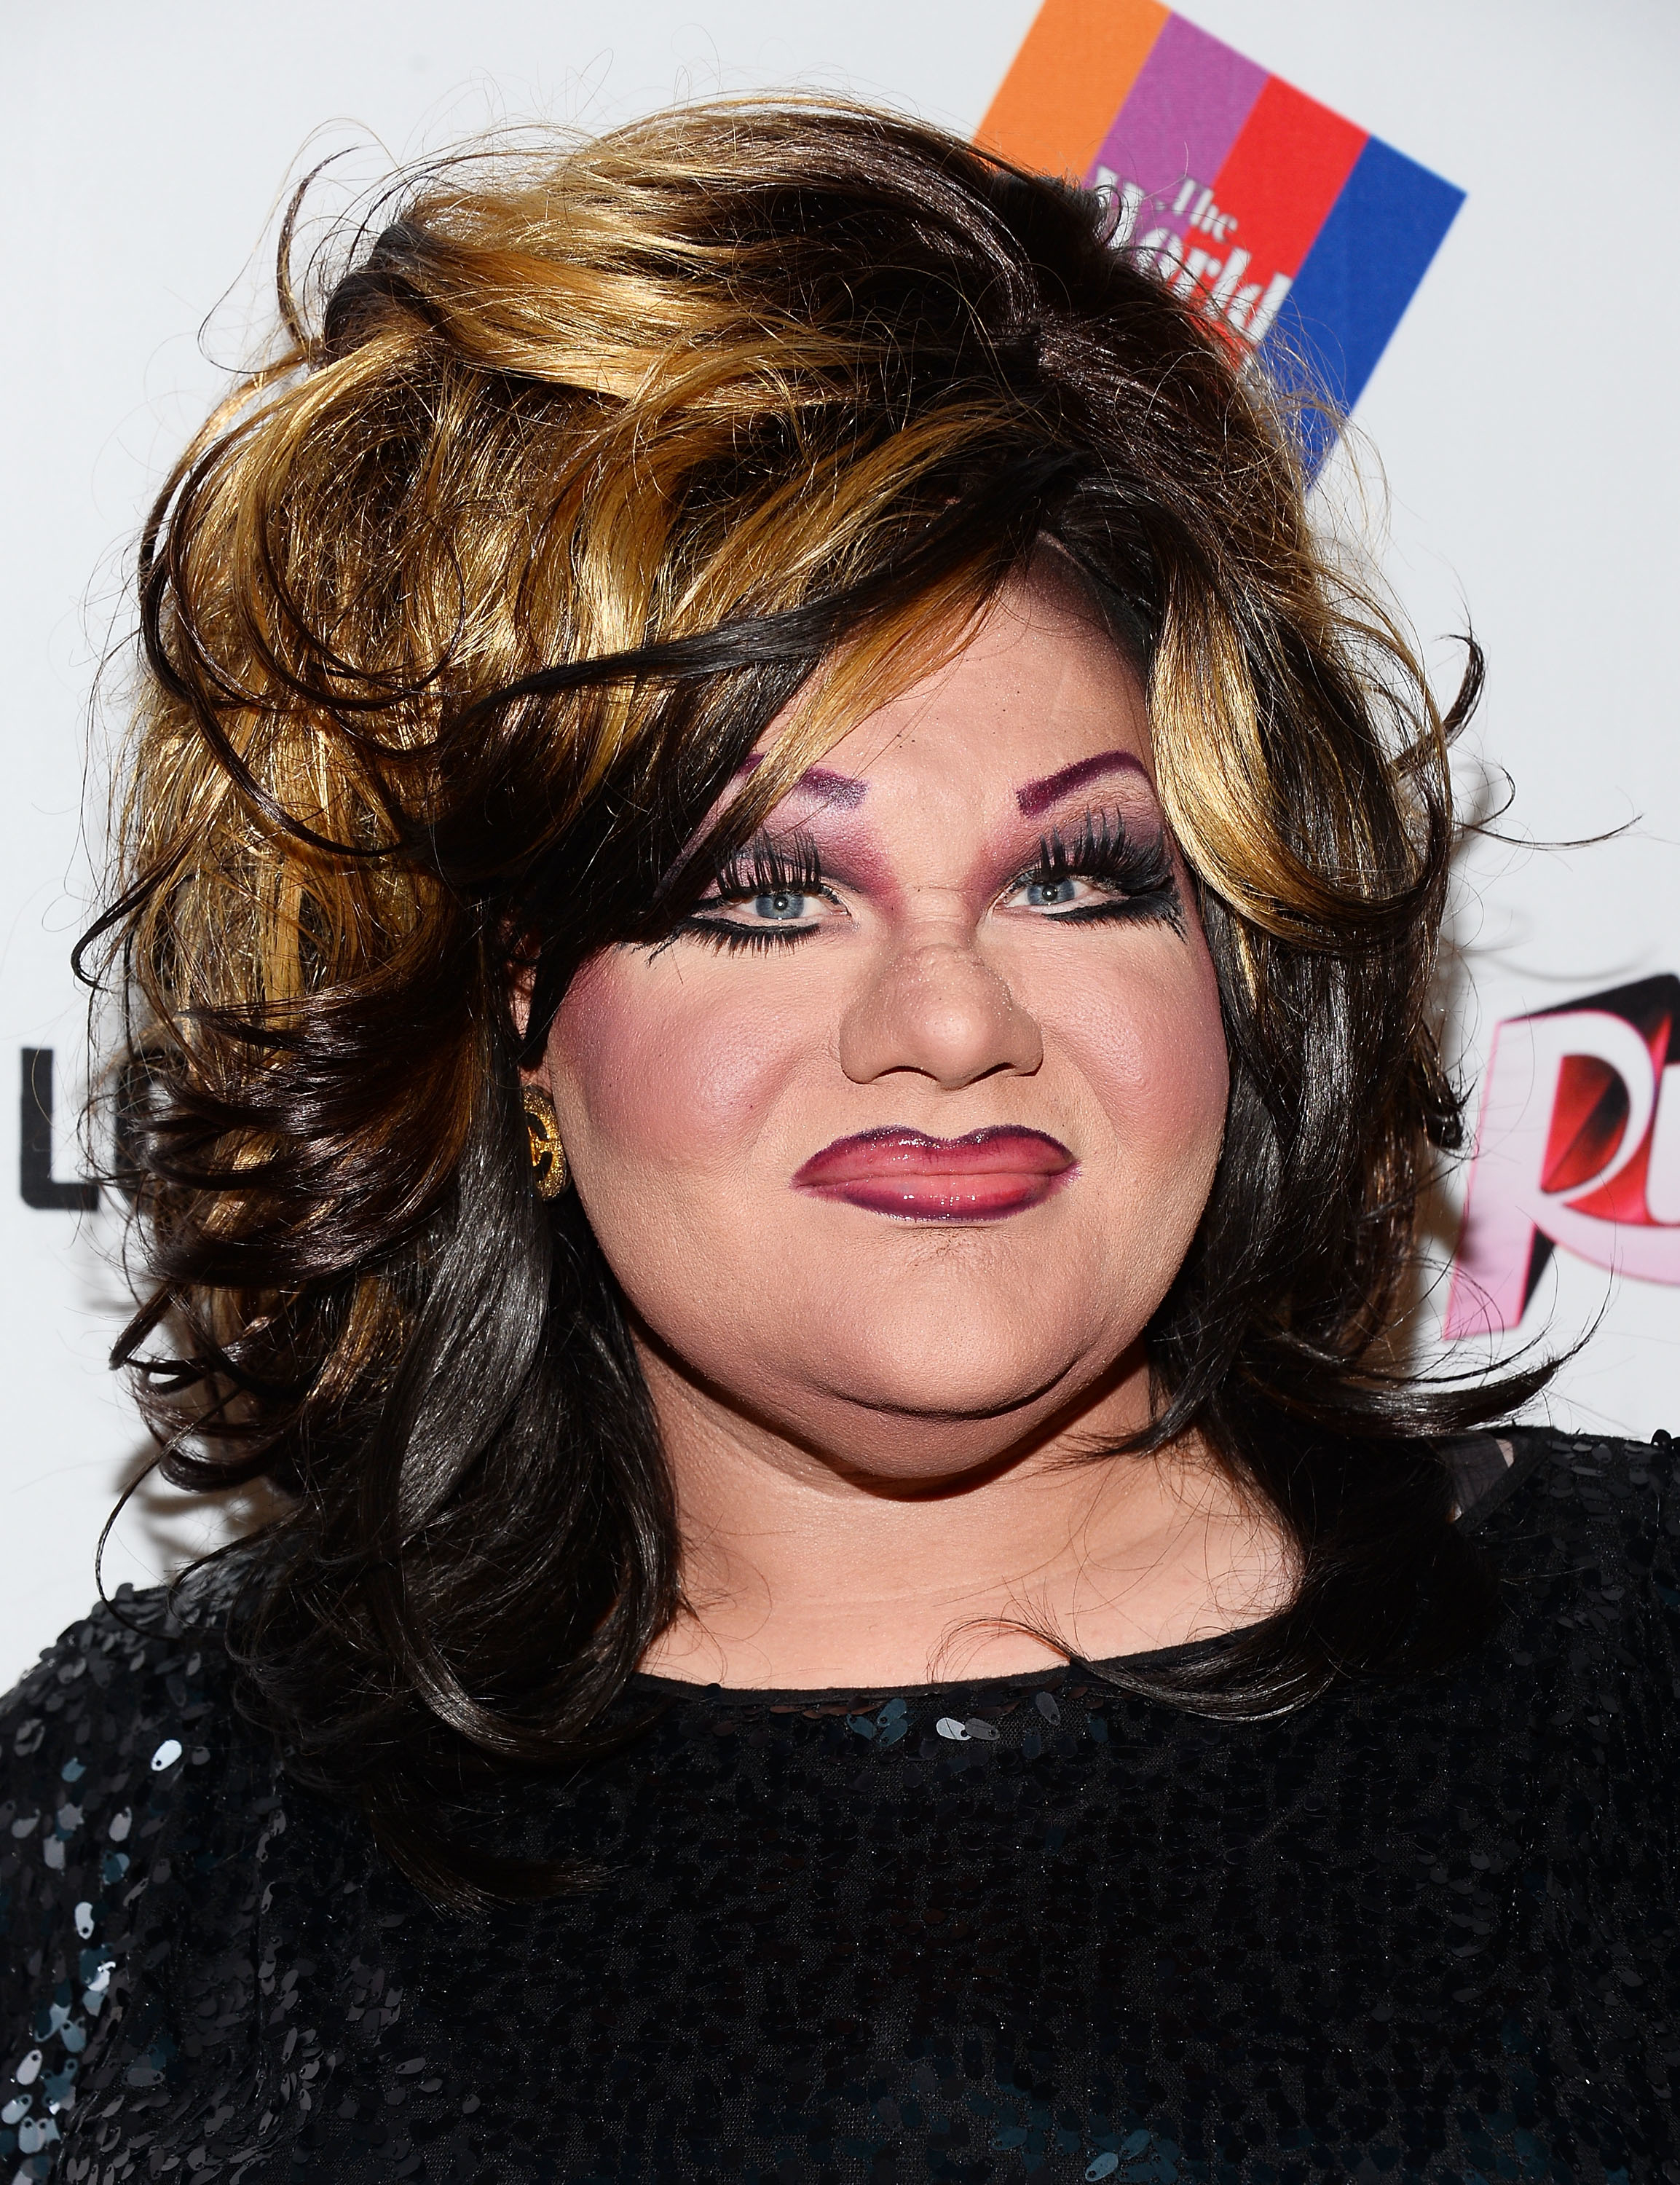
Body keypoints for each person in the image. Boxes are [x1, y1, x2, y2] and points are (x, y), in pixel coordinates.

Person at [1, 97, 1674, 2185]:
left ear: (1238, 954)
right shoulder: (177, 1813)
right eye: (758, 894)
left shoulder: (1631, 1681)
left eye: (1079, 875)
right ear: (509, 1008)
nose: (953, 1020)